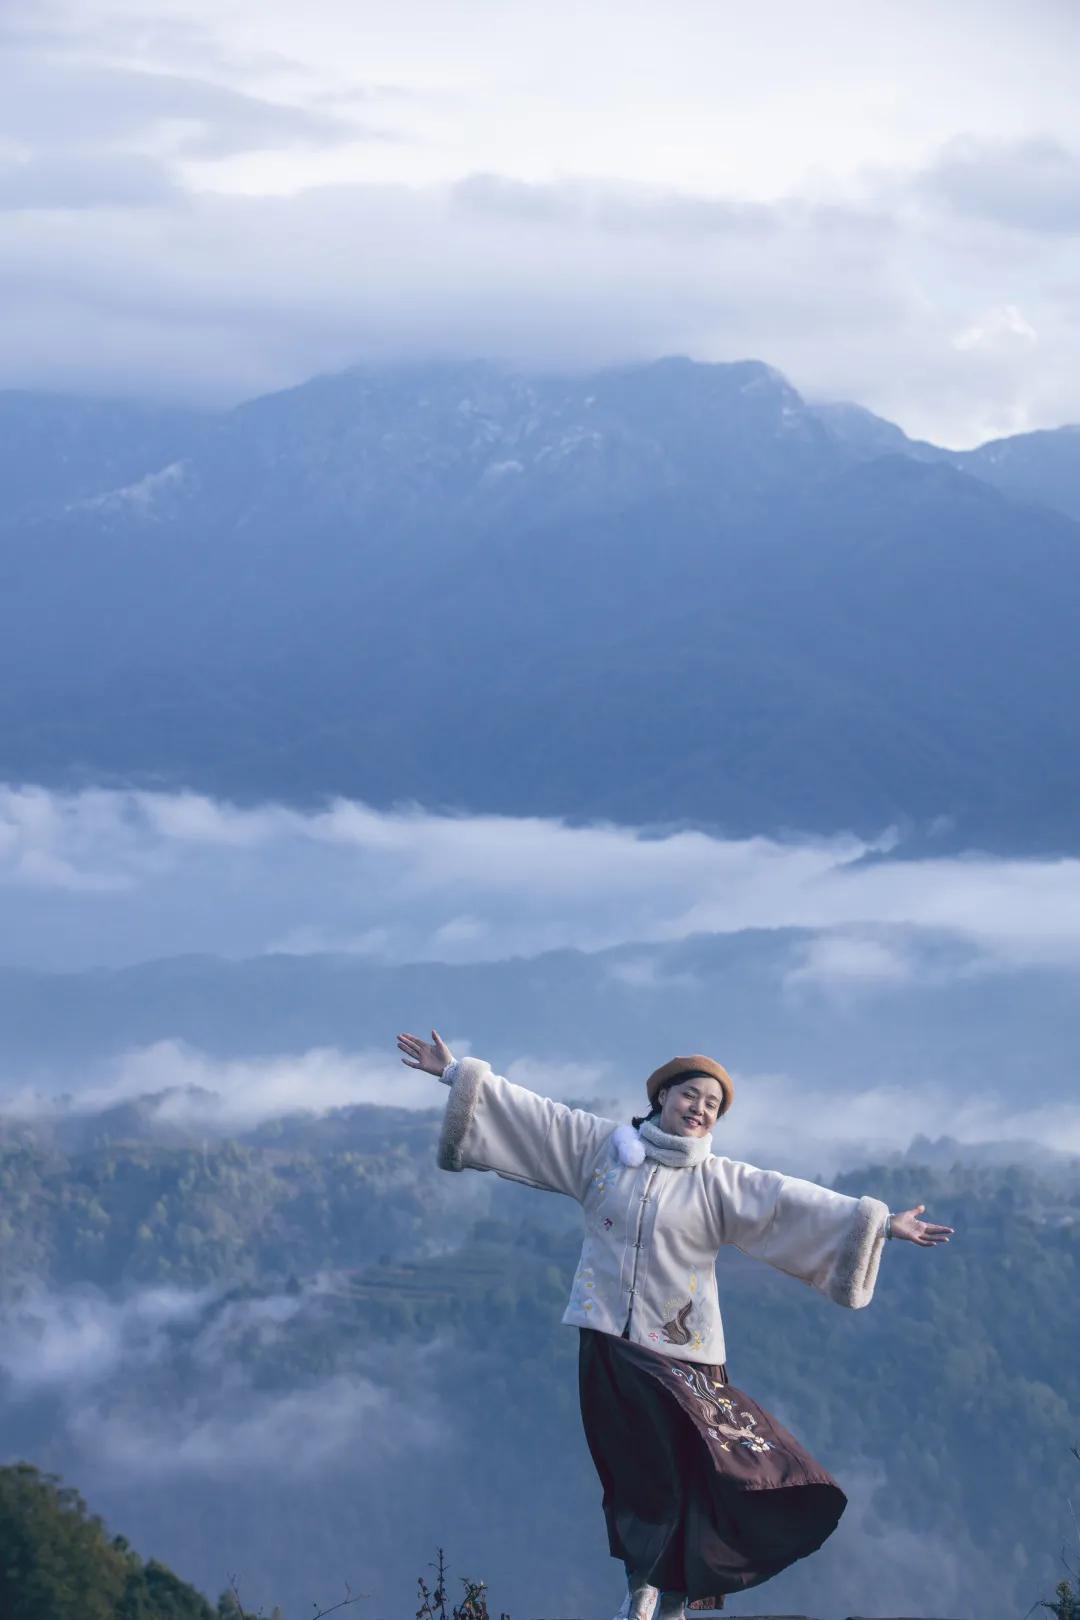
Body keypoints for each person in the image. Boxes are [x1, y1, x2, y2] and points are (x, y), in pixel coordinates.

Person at [396, 1028, 952, 1620]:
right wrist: (454, 1074)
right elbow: (538, 1119)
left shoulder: (720, 1182)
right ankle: (645, 1586)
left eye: (712, 1106)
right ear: (662, 1096)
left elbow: (791, 1202)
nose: (700, 1109)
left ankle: (675, 1595)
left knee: (690, 1476)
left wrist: (883, 1224)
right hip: (608, 1340)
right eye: (691, 1095)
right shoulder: (604, 1151)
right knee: (633, 1478)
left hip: (684, 1356)